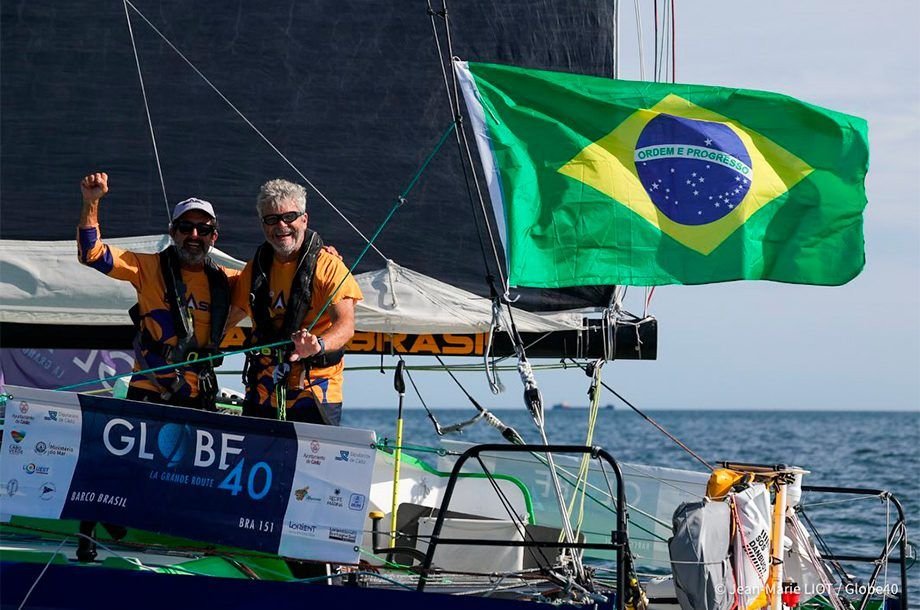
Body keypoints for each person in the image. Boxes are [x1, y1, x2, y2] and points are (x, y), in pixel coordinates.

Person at [76, 171, 241, 561]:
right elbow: (91, 254)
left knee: (196, 473)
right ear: (173, 232)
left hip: (198, 393)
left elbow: (279, 280)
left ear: (215, 236)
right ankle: (92, 529)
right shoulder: (146, 266)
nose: (194, 236)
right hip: (151, 387)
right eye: (186, 228)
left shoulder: (232, 280)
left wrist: (322, 256)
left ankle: (190, 539)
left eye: (203, 229)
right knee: (122, 464)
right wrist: (91, 201)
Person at [230, 178, 362, 426]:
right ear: (263, 225)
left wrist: (318, 345)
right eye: (272, 219)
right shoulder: (253, 270)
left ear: (304, 219)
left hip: (314, 391)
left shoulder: (329, 266)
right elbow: (231, 315)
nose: (281, 225)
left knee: (312, 465)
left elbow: (346, 325)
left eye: (289, 216)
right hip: (263, 390)